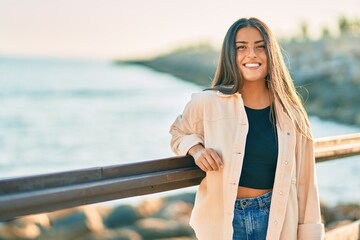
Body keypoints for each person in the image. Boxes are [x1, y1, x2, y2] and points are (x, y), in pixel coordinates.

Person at [169, 17, 325, 240]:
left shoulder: (292, 113)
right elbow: (178, 132)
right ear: (230, 55)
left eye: (260, 47)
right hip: (224, 222)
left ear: (272, 54)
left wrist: (310, 234)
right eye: (241, 47)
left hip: (277, 220)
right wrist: (197, 150)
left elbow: (306, 184)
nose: (251, 54)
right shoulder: (207, 102)